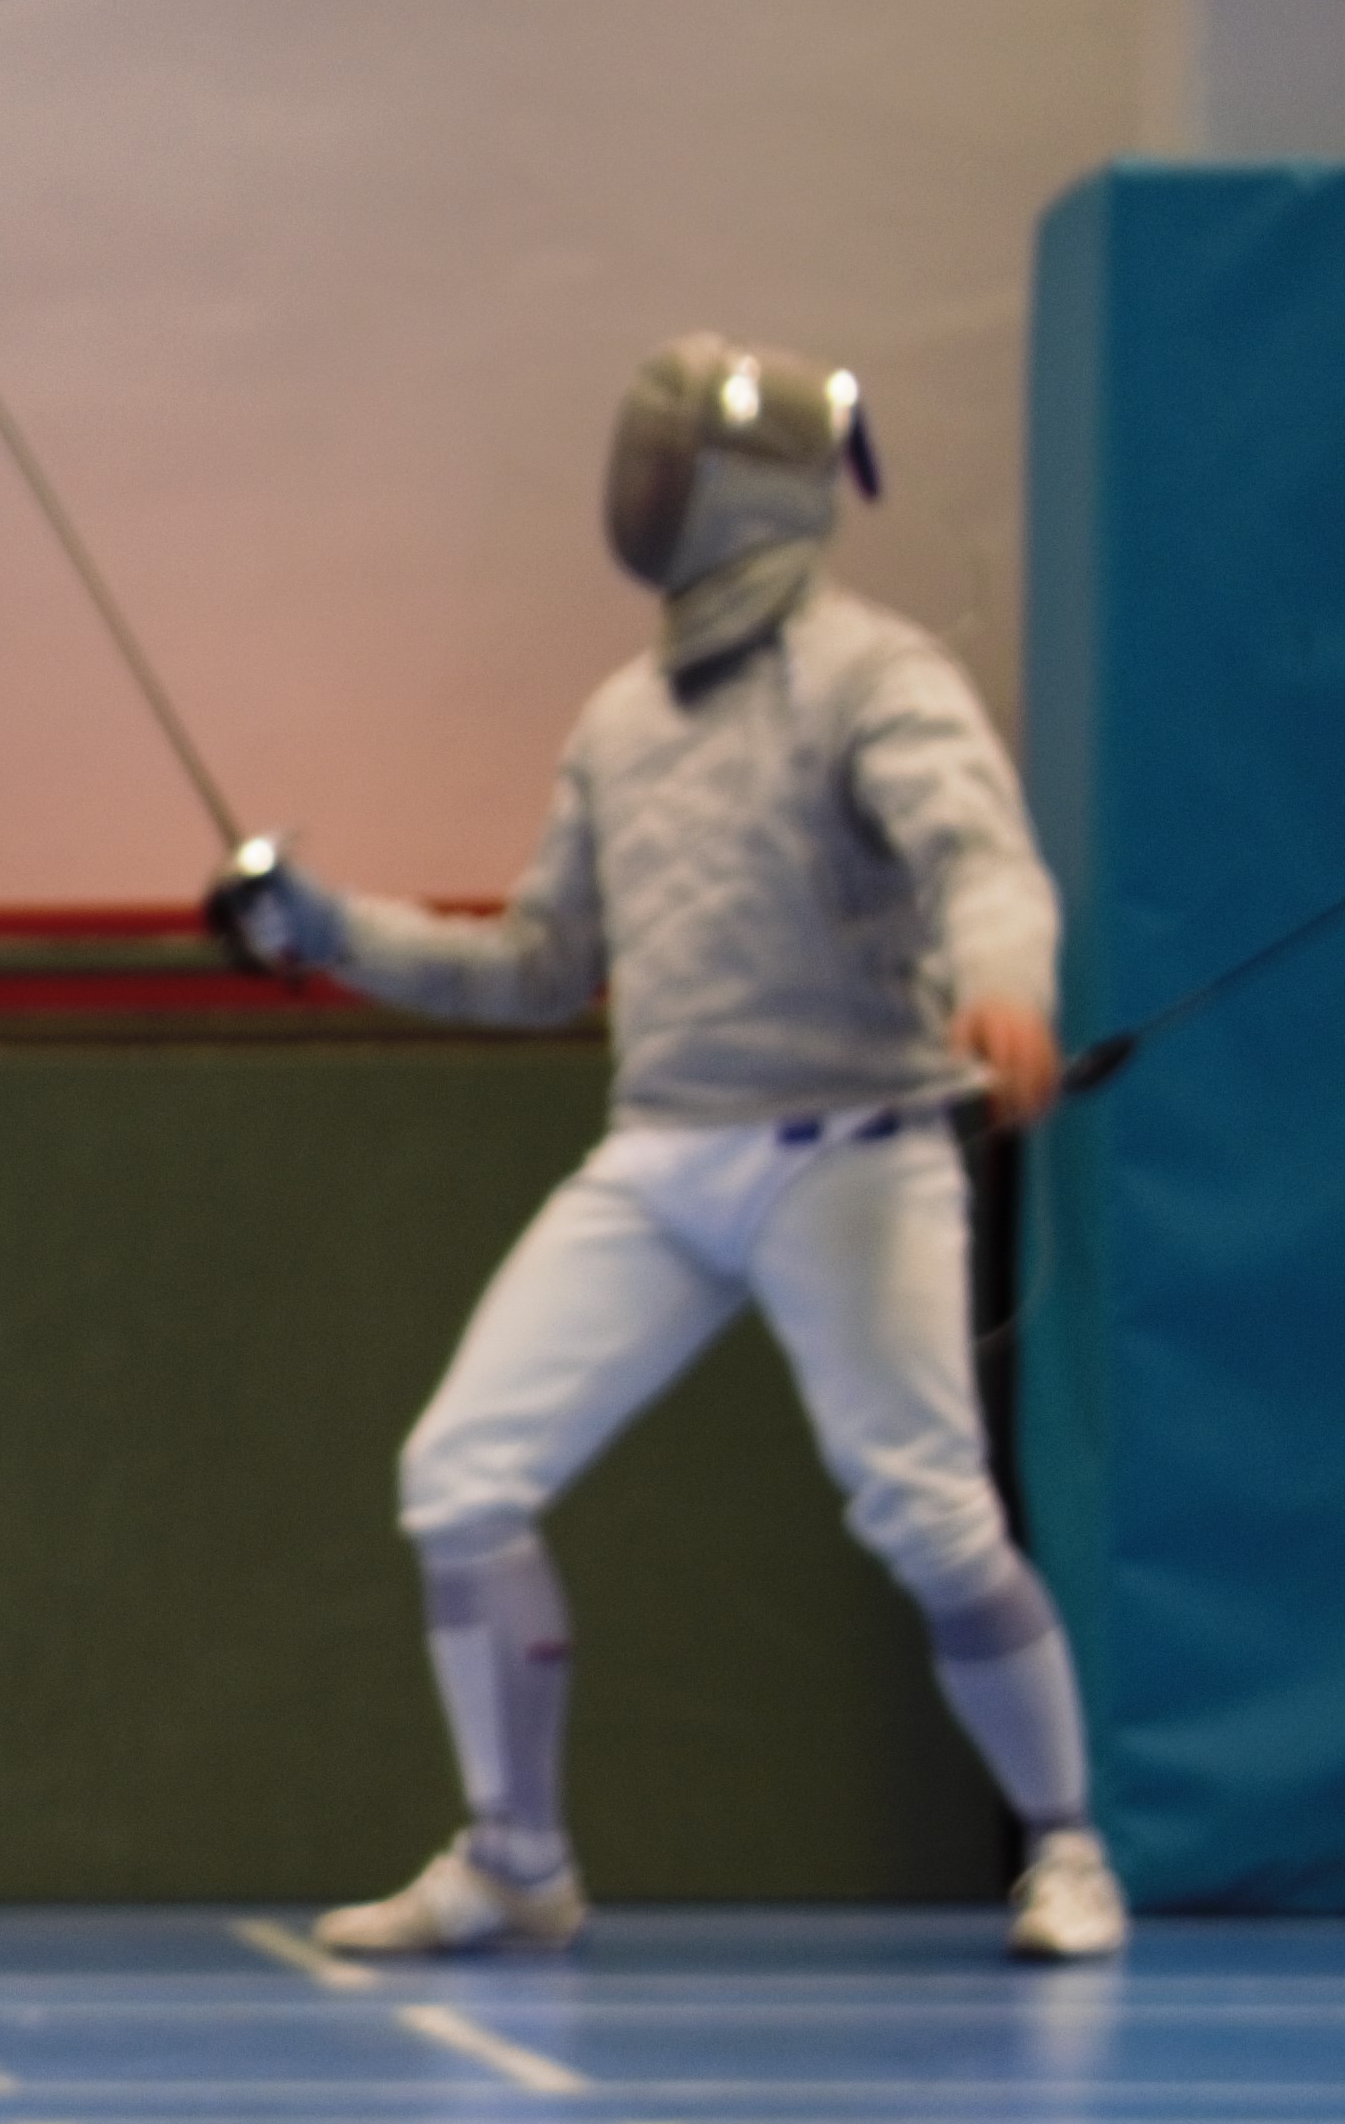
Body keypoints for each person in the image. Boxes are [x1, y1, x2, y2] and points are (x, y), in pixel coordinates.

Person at [216, 334, 1124, 1967]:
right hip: (665, 1157)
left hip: (853, 1150)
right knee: (462, 1476)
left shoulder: (878, 676)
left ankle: (1067, 1852)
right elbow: (542, 966)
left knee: (928, 1514)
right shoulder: (623, 721)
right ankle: (515, 1858)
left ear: (742, 483)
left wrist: (1002, 986)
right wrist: (325, 927)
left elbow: (982, 856)